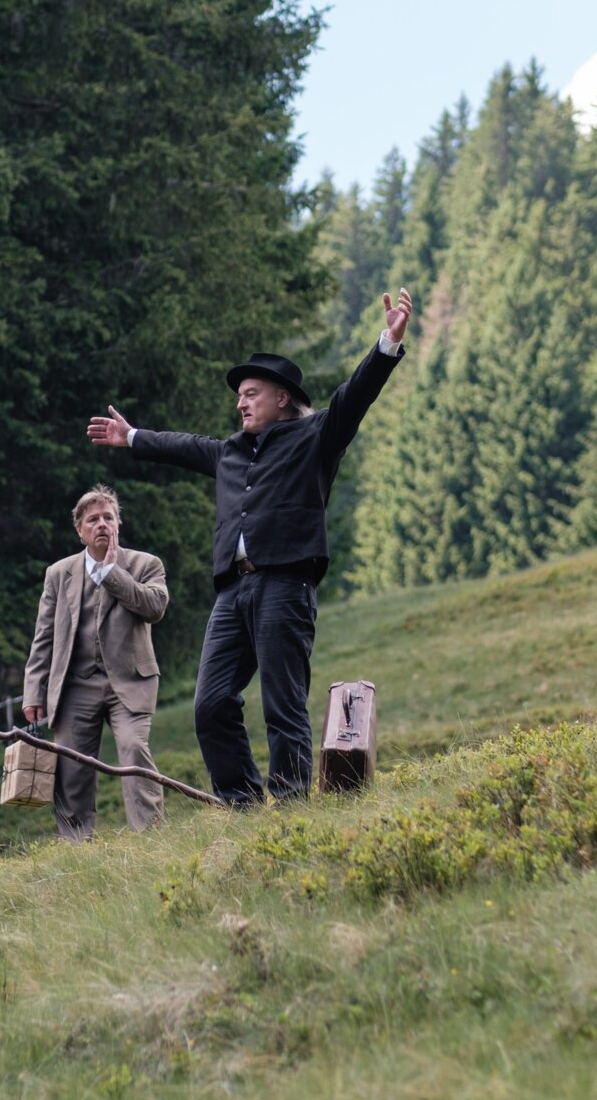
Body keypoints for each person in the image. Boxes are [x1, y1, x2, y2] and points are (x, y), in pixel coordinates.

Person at [87, 288, 412, 804]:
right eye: (239, 395)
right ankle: (241, 803)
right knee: (210, 704)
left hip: (286, 584)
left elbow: (355, 395)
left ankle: (290, 805)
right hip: (232, 593)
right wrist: (132, 437)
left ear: (281, 398)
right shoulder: (230, 452)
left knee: (283, 704)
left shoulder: (316, 436)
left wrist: (386, 344)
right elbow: (182, 445)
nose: (240, 402)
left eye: (251, 393)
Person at [22, 484, 168, 841]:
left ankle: (151, 837)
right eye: (93, 520)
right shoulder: (59, 573)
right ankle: (76, 845)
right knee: (71, 767)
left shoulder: (146, 564)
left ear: (118, 523)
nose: (102, 524)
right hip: (76, 686)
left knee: (134, 749)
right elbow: (44, 637)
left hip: (129, 682)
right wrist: (33, 692)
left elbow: (154, 608)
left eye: (108, 517)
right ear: (80, 530)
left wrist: (111, 573)